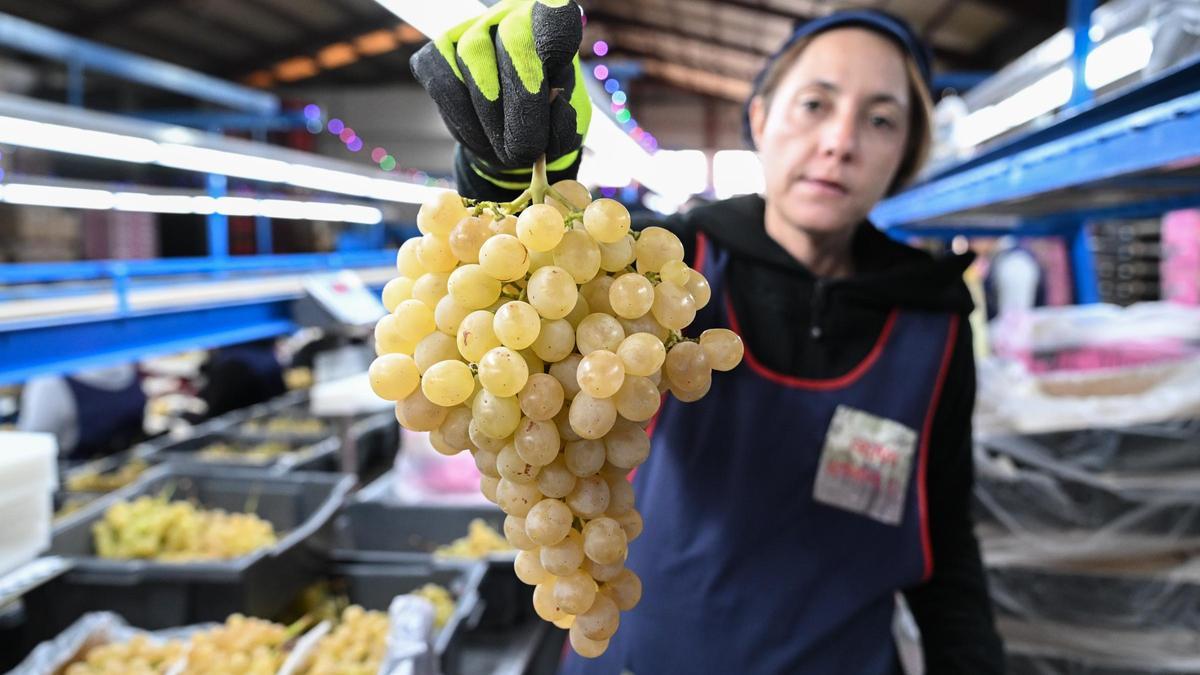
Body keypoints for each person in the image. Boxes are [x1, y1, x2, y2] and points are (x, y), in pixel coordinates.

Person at [412, 4, 1004, 673]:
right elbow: (558, 298)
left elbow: (944, 534)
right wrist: (511, 178)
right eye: (815, 104)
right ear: (761, 118)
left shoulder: (935, 321)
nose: (841, 140)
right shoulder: (668, 273)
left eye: (881, 119)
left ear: (907, 152)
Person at [17, 363, 146, 461]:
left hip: (132, 465)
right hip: (78, 482)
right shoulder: (49, 382)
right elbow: (30, 450)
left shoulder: (125, 359)